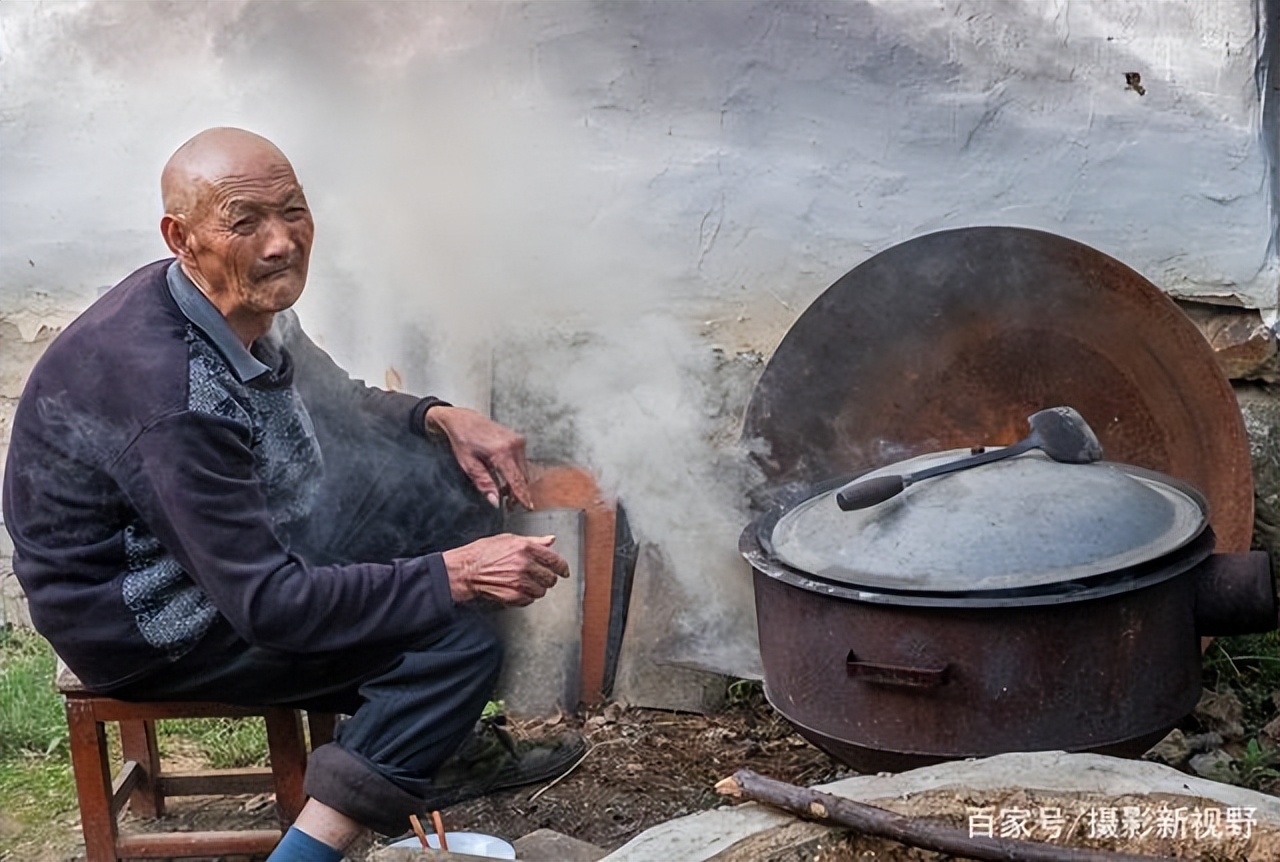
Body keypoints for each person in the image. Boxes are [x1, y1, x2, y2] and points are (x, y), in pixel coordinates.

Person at [3, 127, 583, 862]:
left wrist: (438, 418)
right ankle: (307, 850)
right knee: (454, 642)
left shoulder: (237, 301)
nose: (281, 243)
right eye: (245, 221)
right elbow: (270, 606)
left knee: (451, 485)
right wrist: (457, 574)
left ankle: (428, 744)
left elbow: (336, 400)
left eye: (293, 211)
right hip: (154, 620)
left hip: (233, 549)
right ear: (181, 238)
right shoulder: (174, 397)